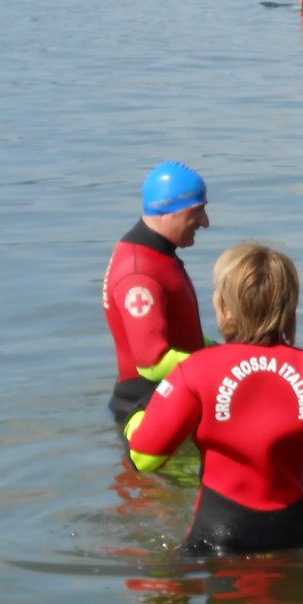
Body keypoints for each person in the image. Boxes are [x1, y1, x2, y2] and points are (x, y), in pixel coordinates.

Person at [125, 243, 303, 554]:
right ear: (289, 308)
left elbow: (144, 456)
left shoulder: (196, 369)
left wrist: (136, 415)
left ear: (226, 308)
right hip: (293, 531)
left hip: (220, 534)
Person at [104, 161, 212, 420]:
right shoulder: (138, 272)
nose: (205, 222)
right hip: (146, 411)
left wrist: (227, 351)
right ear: (168, 210)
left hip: (169, 401)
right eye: (197, 212)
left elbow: (181, 338)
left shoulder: (155, 256)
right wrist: (223, 366)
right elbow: (153, 363)